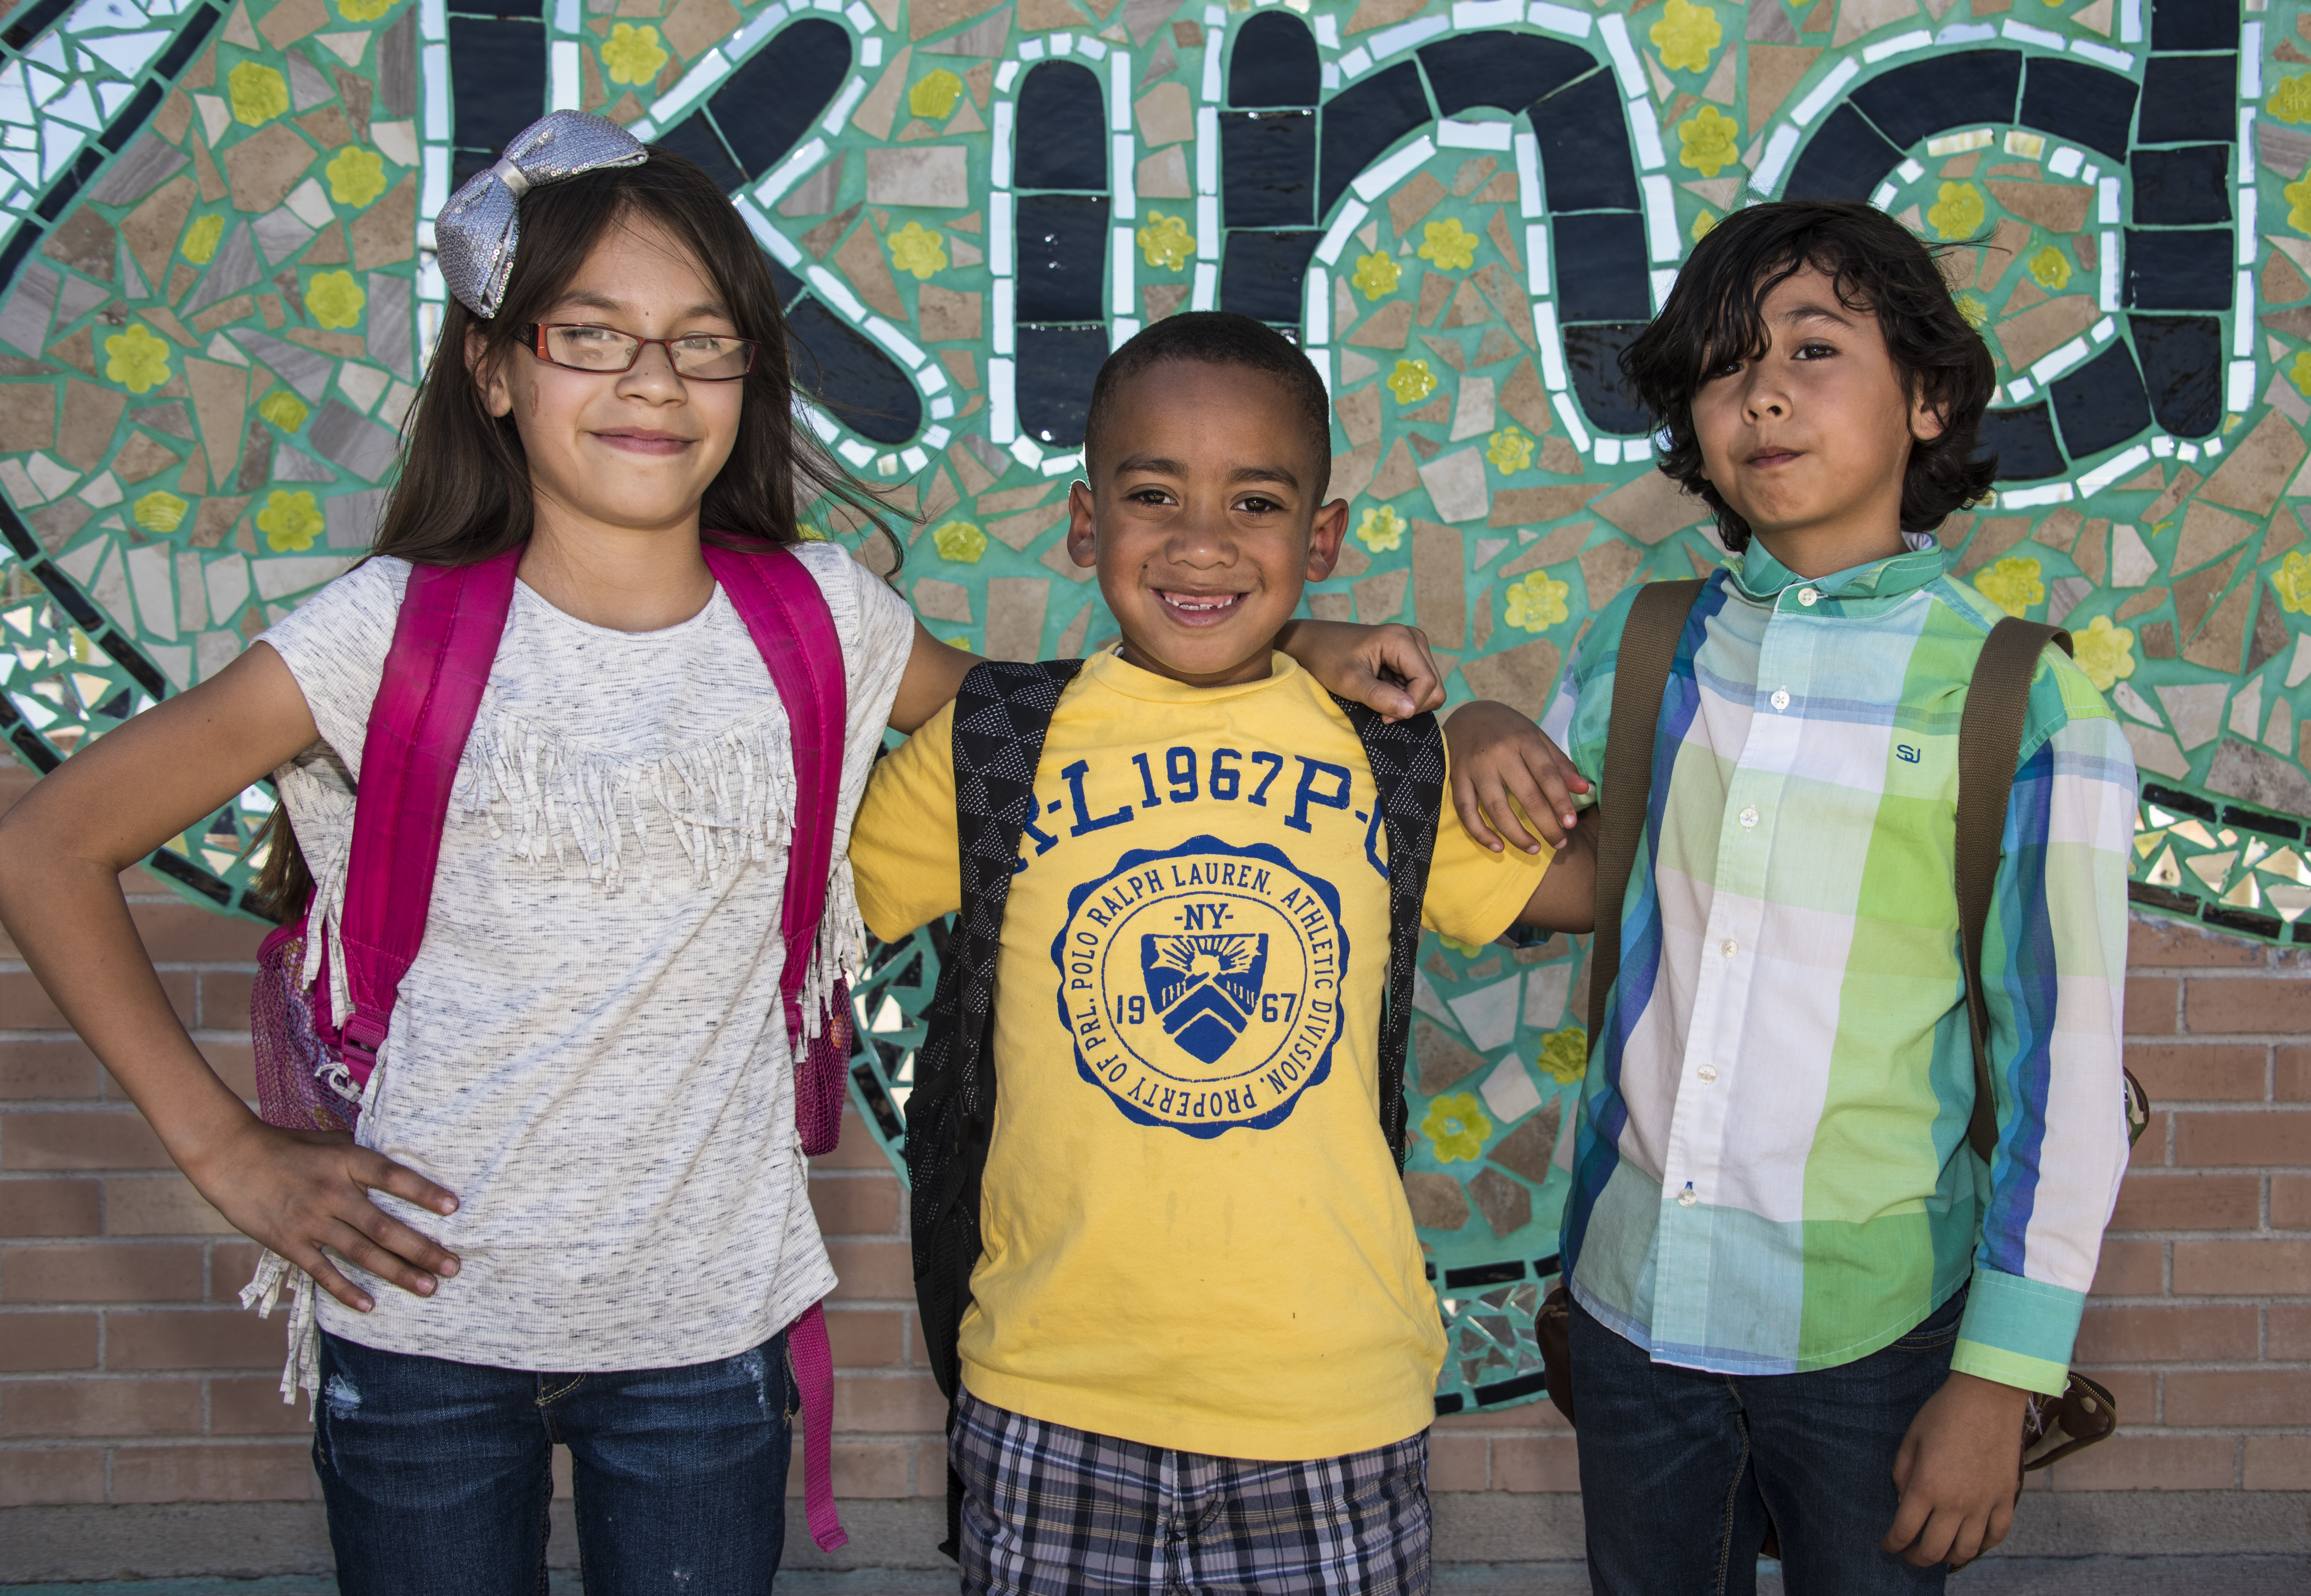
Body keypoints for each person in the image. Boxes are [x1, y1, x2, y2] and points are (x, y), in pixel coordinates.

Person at [0, 118, 1446, 1595]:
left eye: (701, 342)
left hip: (705, 1341)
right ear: (494, 368)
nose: (651, 380)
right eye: (594, 335)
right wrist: (225, 1150)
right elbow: (48, 846)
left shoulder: (824, 617)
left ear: (749, 379)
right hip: (423, 1331)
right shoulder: (386, 632)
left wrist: (1295, 649)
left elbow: (1075, 720)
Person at [1443, 200, 2136, 1594]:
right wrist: (1466, 731)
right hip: (1638, 1305)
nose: (1760, 391)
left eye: (1814, 348)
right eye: (1722, 363)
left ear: (1927, 399)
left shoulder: (2018, 698)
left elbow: (2066, 1068)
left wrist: (1998, 1379)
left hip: (1878, 1339)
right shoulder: (1648, 644)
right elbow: (1579, 881)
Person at [848, 311, 1599, 1595]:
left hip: (1331, 1407)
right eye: (1153, 495)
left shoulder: (1385, 756)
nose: (1201, 542)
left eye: (1253, 501)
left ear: (1322, 541)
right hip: (1049, 1394)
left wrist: (1479, 720)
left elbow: (1626, 885)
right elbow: (780, 923)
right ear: (1086, 525)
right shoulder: (996, 747)